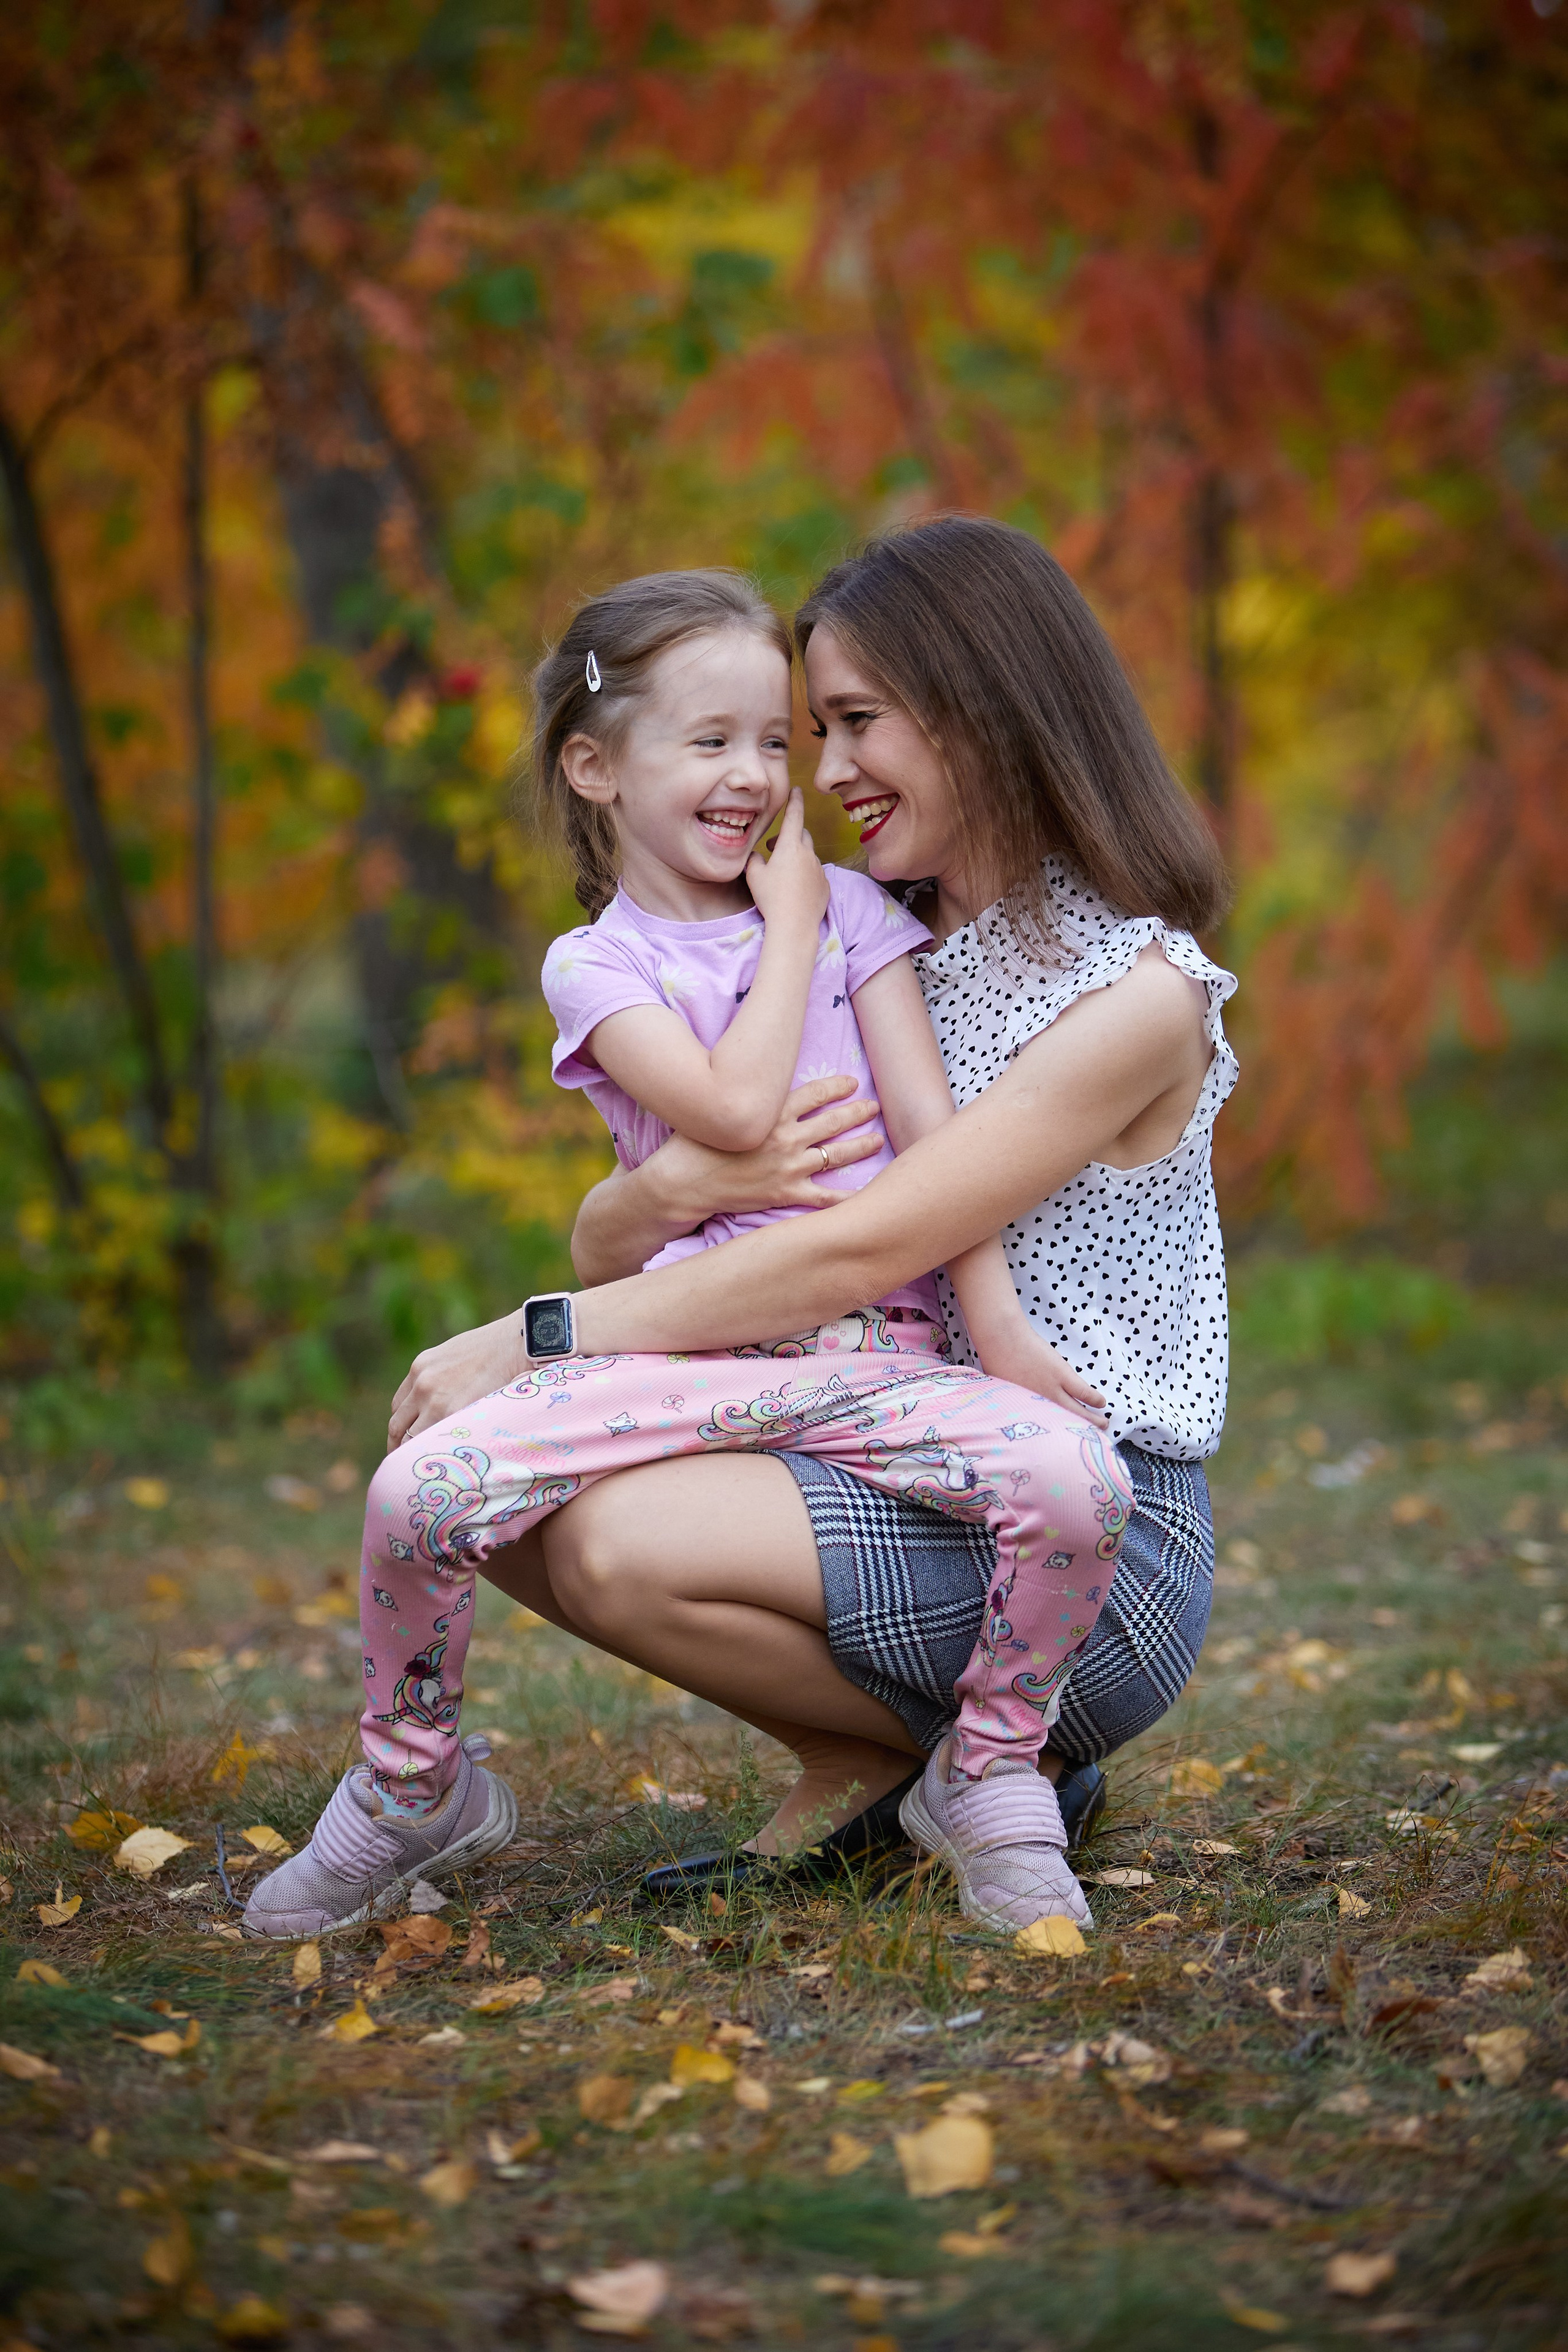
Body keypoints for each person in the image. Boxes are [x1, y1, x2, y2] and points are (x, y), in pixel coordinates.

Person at [243, 516, 1235, 1948]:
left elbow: (848, 1244)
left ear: (984, 709)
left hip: (1094, 1534)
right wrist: (649, 1200)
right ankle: (869, 1761)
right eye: (802, 731)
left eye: (848, 726)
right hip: (860, 1421)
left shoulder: (1128, 993)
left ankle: (986, 1760)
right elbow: (633, 1224)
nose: (815, 778)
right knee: (513, 1503)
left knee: (605, 1538)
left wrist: (528, 1337)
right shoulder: (858, 926)